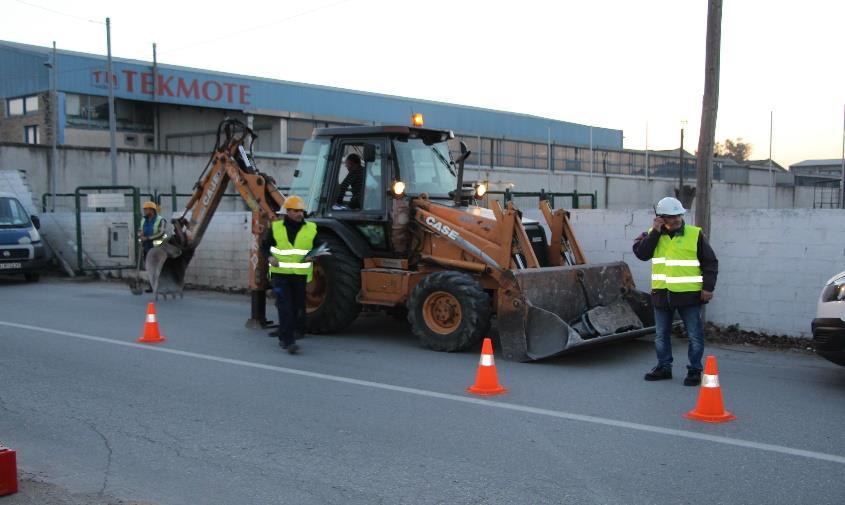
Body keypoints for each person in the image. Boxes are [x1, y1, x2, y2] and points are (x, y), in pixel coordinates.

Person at [632, 196, 718, 386]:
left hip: (689, 295)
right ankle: (664, 367)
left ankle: (695, 370)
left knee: (695, 336)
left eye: (678, 215)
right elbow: (642, 254)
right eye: (671, 216)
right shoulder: (652, 235)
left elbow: (710, 263)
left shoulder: (695, 234)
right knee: (661, 335)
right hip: (662, 295)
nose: (677, 219)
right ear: (661, 218)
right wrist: (654, 232)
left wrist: (708, 287)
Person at [261, 195, 318, 354]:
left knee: (296, 307)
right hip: (281, 275)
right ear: (287, 212)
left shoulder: (311, 228)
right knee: (285, 306)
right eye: (296, 211)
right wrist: (269, 257)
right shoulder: (277, 228)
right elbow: (264, 246)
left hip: (299, 275)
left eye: (301, 211)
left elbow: (320, 246)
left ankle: (287, 333)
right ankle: (288, 341)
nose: (300, 214)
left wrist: (315, 254)